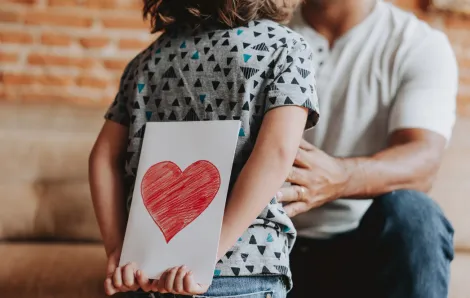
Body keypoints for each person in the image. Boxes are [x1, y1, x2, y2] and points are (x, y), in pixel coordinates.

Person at [88, 0, 320, 297]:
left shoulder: (147, 60)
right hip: (242, 268)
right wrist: (204, 255)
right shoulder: (286, 48)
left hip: (144, 270)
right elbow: (276, 153)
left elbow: (103, 157)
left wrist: (118, 249)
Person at [276, 1, 458, 298]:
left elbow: (424, 160)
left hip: (364, 248)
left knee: (415, 214)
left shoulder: (418, 44)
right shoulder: (262, 34)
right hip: (269, 245)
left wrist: (339, 178)